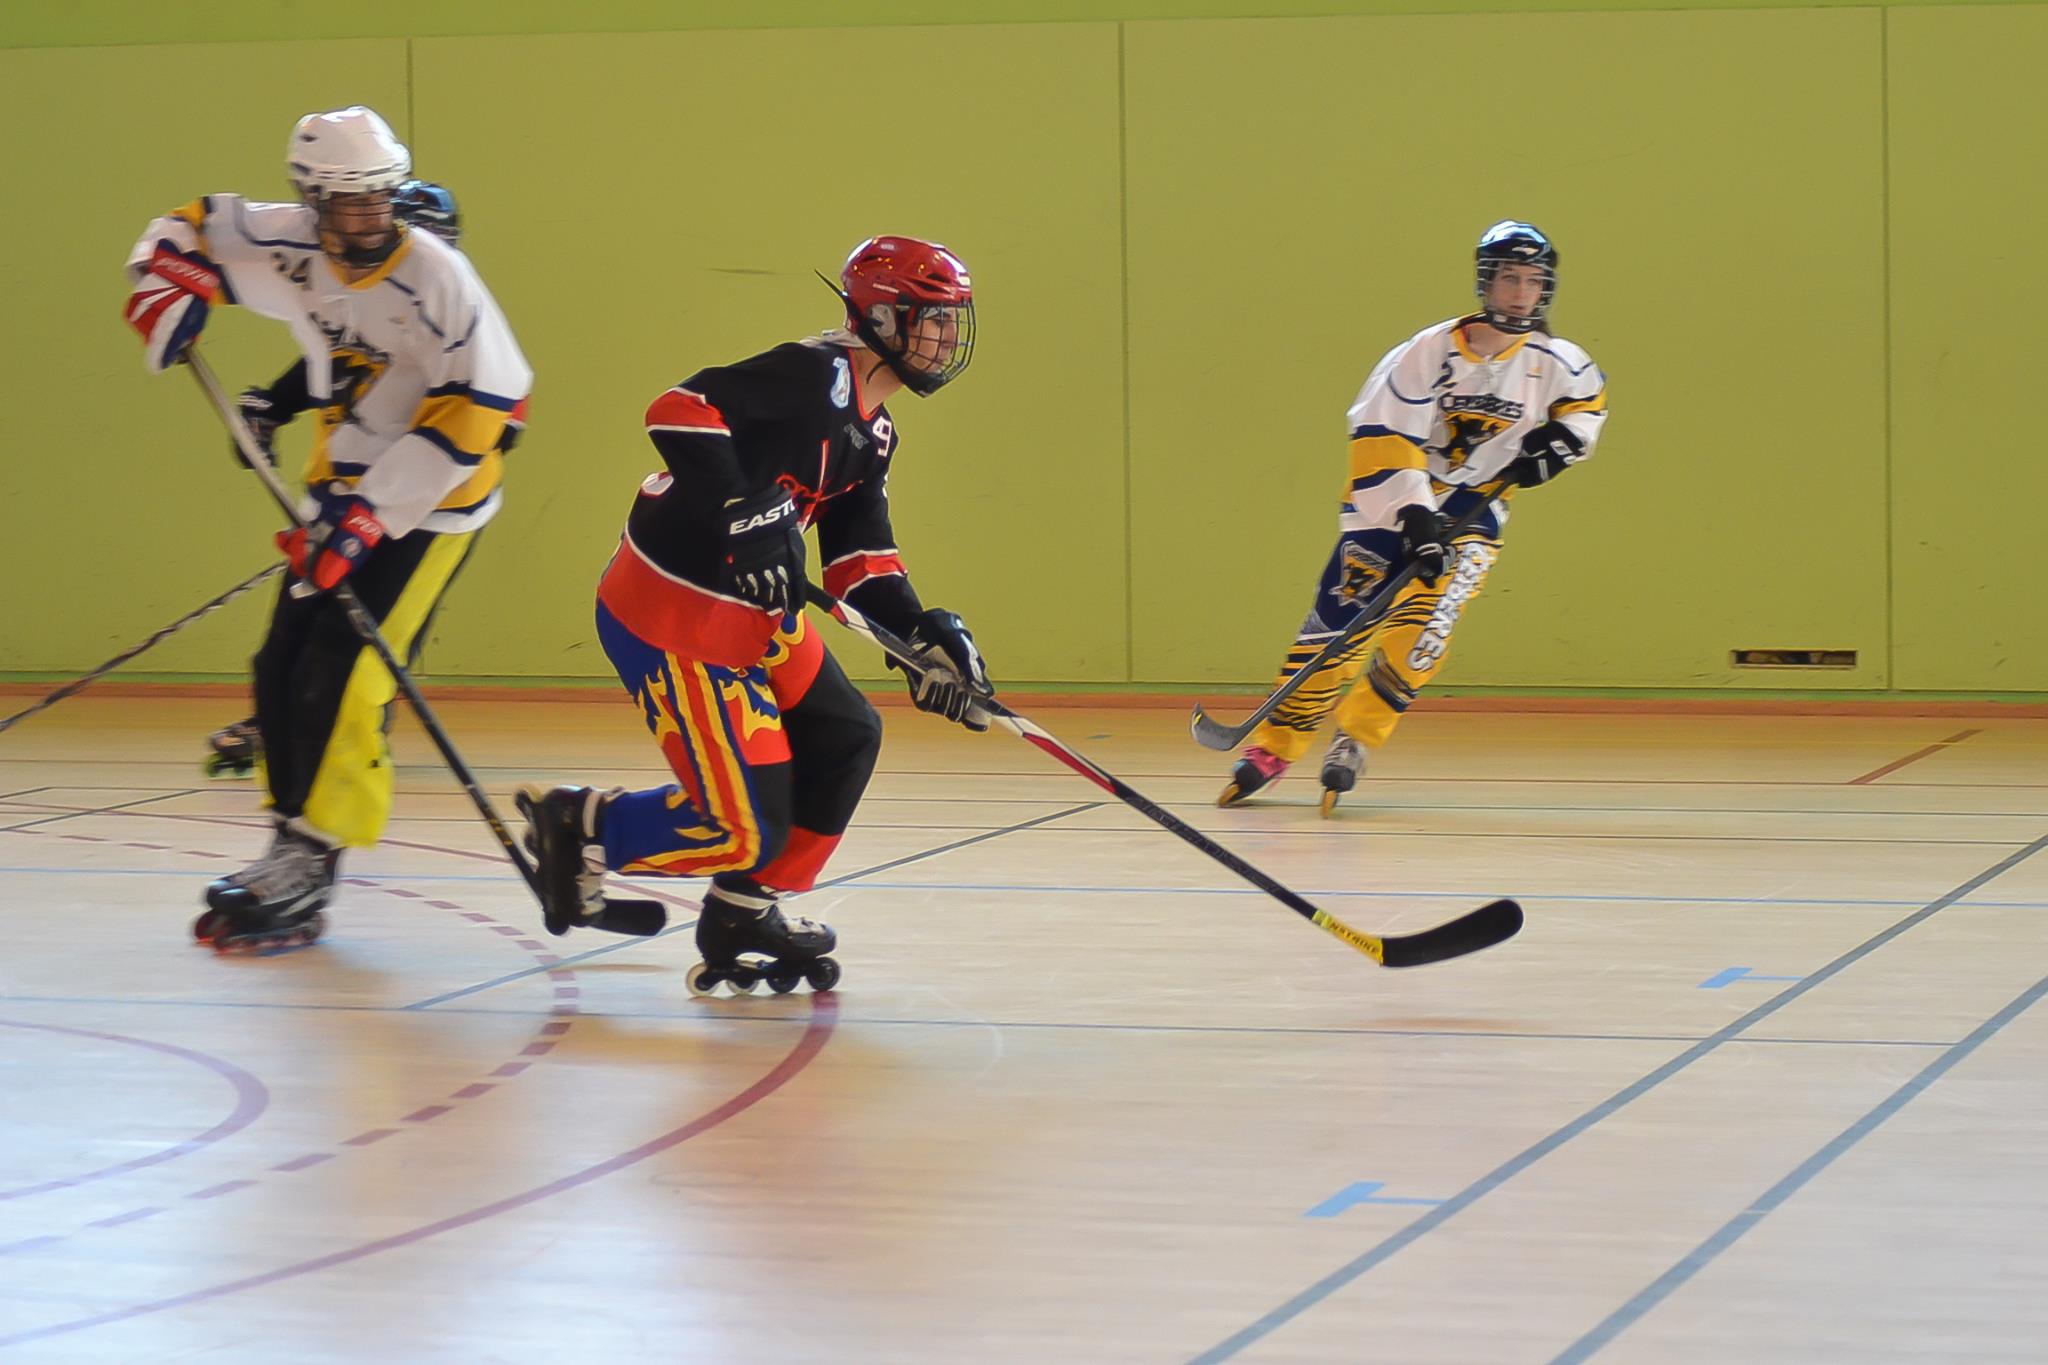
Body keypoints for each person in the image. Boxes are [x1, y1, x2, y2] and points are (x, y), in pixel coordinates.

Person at [517, 236, 992, 994]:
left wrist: (921, 636)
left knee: (845, 735)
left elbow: (857, 558)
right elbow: (678, 408)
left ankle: (743, 908)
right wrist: (738, 501)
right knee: (739, 825)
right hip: (677, 617)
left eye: (949, 320)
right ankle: (582, 828)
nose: (943, 337)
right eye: (927, 318)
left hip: (756, 616)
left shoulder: (874, 431)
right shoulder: (810, 377)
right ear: (878, 317)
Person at [123, 106, 532, 949]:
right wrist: (160, 278)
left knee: (345, 677)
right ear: (311, 199)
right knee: (279, 665)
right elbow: (190, 225)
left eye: (382, 199)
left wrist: (373, 515)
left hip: (433, 504)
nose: (372, 219)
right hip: (338, 491)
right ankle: (287, 836)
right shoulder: (294, 240)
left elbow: (485, 407)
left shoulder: (439, 276)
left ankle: (319, 850)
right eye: (351, 204)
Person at [1218, 221, 1609, 815]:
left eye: (1533, 281)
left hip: (1477, 506)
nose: (1521, 294)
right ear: (1486, 280)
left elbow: (1587, 409)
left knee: (1426, 631)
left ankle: (1355, 739)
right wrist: (1414, 517)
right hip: (1391, 501)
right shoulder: (1425, 352)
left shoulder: (1559, 362)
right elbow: (1381, 434)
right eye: (1509, 278)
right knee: (1337, 626)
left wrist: (1560, 445)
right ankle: (1277, 745)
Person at [198, 181, 527, 778]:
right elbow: (334, 360)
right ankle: (281, 724)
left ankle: (357, 724)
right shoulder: (365, 300)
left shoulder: (455, 314)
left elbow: (495, 421)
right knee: (297, 634)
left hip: (426, 510)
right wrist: (269, 405)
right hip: (346, 498)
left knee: (372, 636)